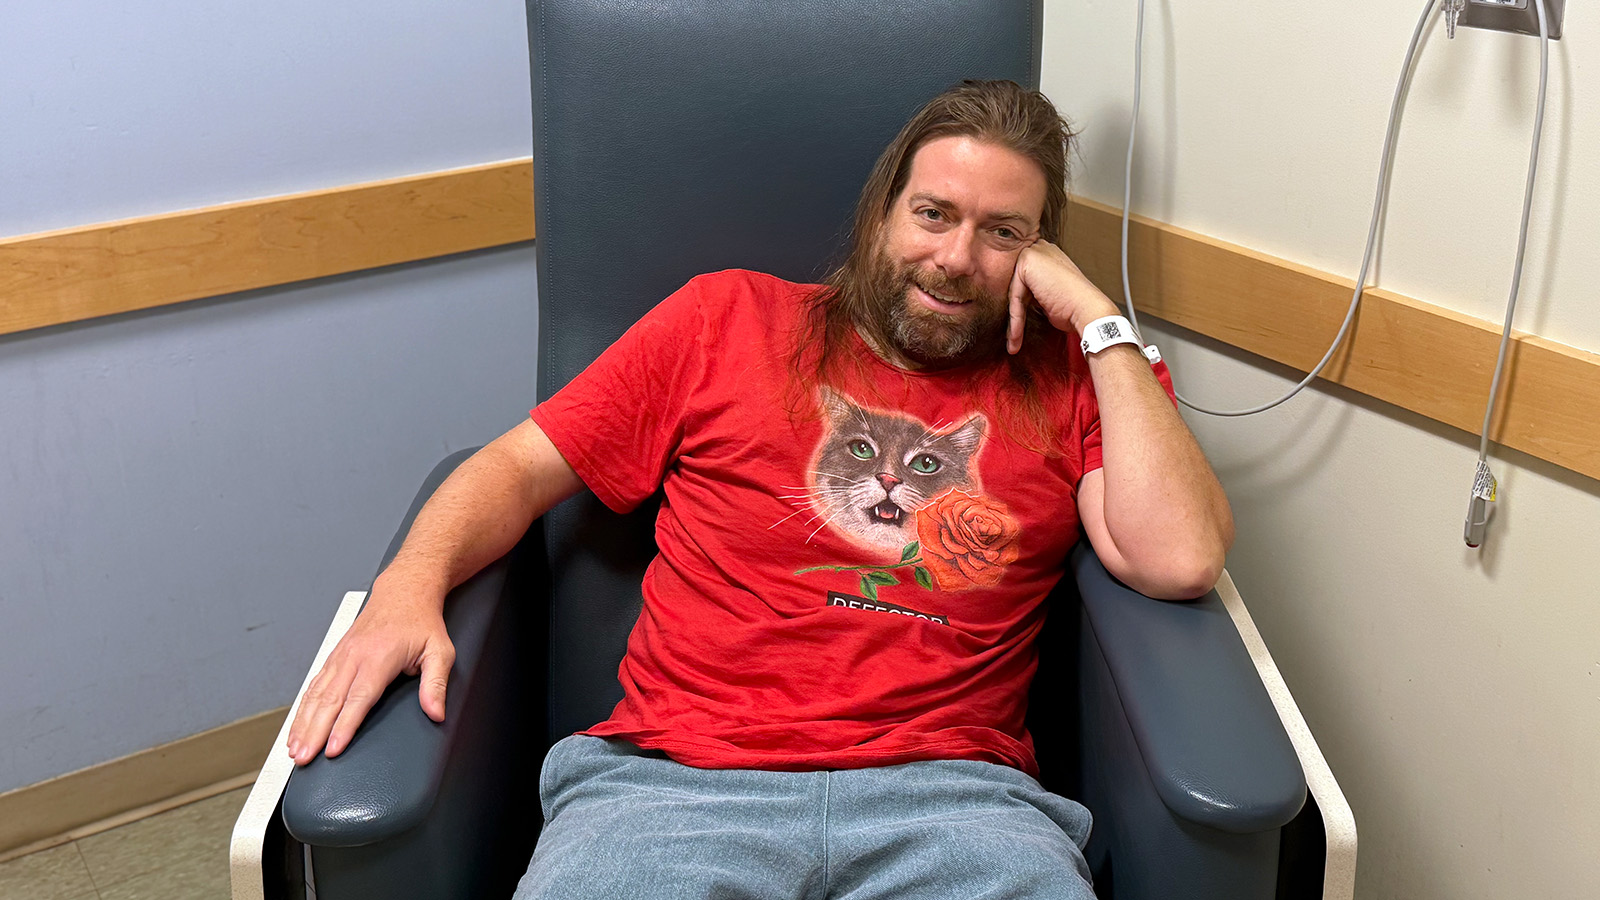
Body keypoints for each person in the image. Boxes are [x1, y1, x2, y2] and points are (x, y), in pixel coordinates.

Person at [286, 80, 1232, 898]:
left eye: (1003, 234)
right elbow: (514, 466)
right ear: (882, 215)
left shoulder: (1075, 378)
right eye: (934, 214)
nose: (955, 258)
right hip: (672, 788)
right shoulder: (725, 320)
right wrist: (408, 586)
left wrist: (1101, 323)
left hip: (956, 805)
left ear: (1039, 255)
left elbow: (1178, 558)